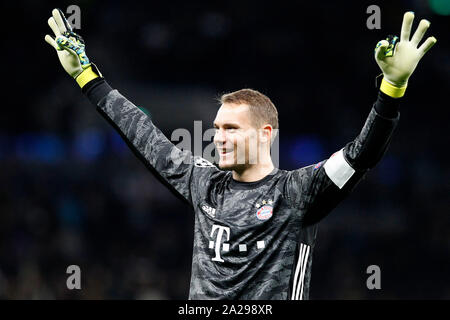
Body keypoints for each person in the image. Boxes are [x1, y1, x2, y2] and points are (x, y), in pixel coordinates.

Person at [45, 9, 436, 299]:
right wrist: (86, 77)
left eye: (231, 128)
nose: (219, 138)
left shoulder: (298, 192)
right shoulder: (203, 182)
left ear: (266, 134)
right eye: (216, 129)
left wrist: (391, 88)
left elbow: (360, 155)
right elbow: (144, 135)